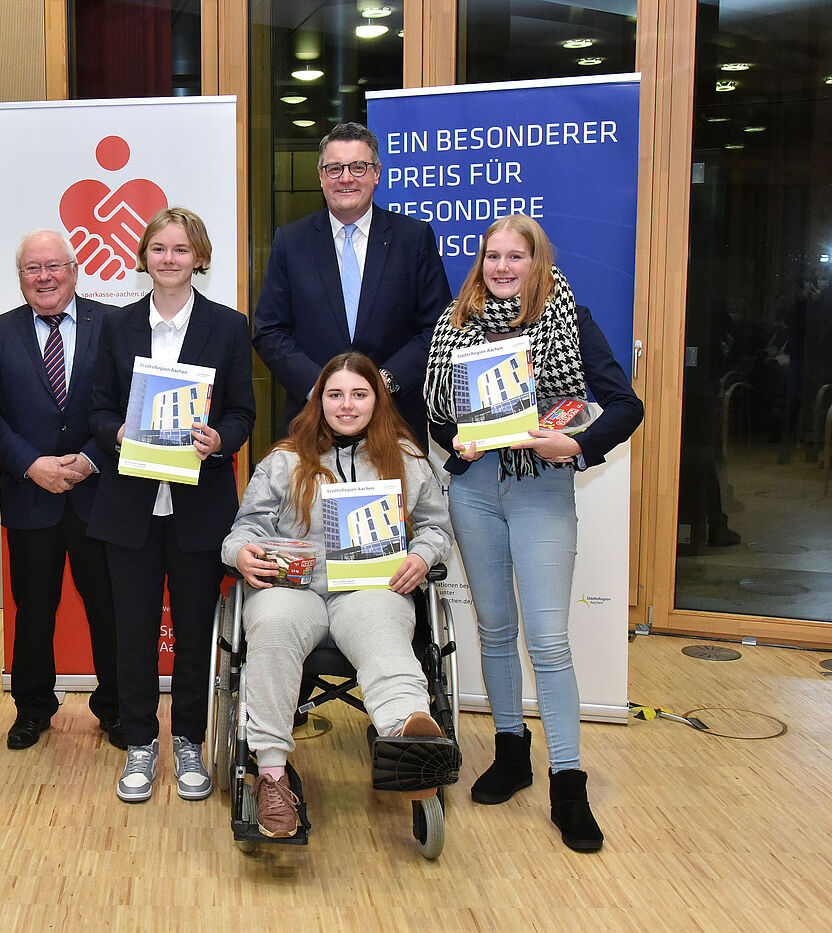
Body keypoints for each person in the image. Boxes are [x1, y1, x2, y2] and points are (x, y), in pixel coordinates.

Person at [423, 213, 643, 853]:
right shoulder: (453, 323)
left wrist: (573, 442)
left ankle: (568, 784)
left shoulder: (567, 316)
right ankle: (512, 752)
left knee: (547, 639)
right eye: (492, 256)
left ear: (536, 262)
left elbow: (625, 405)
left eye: (515, 257)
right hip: (473, 491)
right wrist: (453, 440)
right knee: (494, 629)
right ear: (480, 261)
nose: (501, 268)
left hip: (540, 489)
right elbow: (438, 415)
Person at [221, 352, 455, 838]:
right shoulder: (284, 460)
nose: (346, 405)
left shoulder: (407, 461)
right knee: (273, 625)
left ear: (377, 400)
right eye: (335, 394)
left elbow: (435, 527)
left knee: (385, 630)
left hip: (369, 587)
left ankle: (406, 736)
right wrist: (241, 553)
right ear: (318, 401)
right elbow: (244, 529)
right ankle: (270, 774)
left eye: (359, 394)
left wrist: (422, 556)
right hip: (295, 586)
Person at [87, 207, 256, 803]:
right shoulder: (116, 325)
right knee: (131, 631)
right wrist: (117, 434)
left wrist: (220, 441)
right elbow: (100, 407)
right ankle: (139, 742)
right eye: (158, 248)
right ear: (143, 257)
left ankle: (188, 740)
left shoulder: (228, 326)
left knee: (193, 632)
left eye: (180, 250)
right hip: (129, 507)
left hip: (199, 511)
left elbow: (243, 413)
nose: (169, 259)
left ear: (200, 258)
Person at [0, 229, 123, 751]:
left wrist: (90, 459)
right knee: (33, 609)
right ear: (18, 278)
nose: (44, 277)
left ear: (75, 269)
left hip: (98, 494)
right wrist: (30, 464)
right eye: (31, 269)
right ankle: (33, 708)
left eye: (53, 266)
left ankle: (113, 707)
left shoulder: (111, 326)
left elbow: (124, 405)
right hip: (31, 495)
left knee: (106, 607)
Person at [252, 122, 451, 443]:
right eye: (334, 168)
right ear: (320, 176)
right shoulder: (291, 241)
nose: (346, 178)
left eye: (358, 167)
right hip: (312, 426)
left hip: (394, 422)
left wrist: (384, 382)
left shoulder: (413, 238)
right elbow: (269, 330)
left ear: (377, 173)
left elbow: (437, 329)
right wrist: (324, 389)